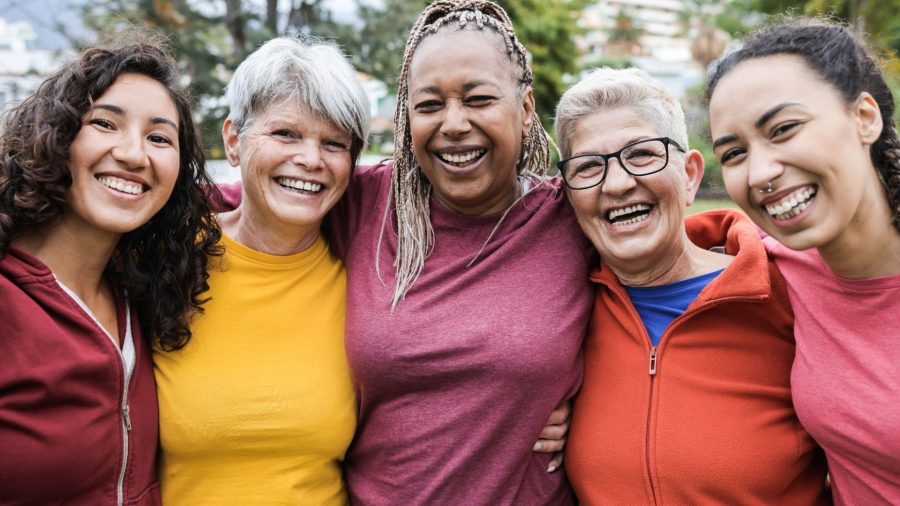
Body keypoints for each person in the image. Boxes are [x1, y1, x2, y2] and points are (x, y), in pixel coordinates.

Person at [330, 1, 593, 503]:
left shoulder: (571, 215)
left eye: (478, 99)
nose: (453, 123)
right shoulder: (365, 203)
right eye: (429, 105)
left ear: (525, 109)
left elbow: (669, 269)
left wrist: (598, 408)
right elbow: (225, 207)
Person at [555, 67, 829, 504]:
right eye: (588, 166)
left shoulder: (792, 292)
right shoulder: (561, 315)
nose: (619, 183)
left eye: (642, 154)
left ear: (690, 175)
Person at [0, 35, 219, 504]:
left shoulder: (141, 290)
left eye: (159, 138)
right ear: (54, 134)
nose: (134, 154)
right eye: (105, 123)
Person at [152, 37, 370, 504]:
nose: (311, 160)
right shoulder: (165, 258)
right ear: (233, 141)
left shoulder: (363, 283)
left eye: (334, 143)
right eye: (286, 134)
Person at [707, 17, 900, 503]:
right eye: (733, 153)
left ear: (865, 118)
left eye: (785, 128)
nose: (761, 173)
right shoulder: (775, 266)